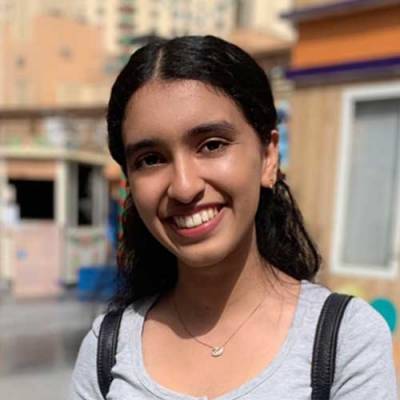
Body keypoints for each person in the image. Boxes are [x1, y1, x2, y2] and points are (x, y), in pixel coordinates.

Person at [69, 35, 397, 399]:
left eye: (212, 145)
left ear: (268, 157)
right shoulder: (106, 349)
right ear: (130, 182)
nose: (184, 187)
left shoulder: (344, 340)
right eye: (151, 159)